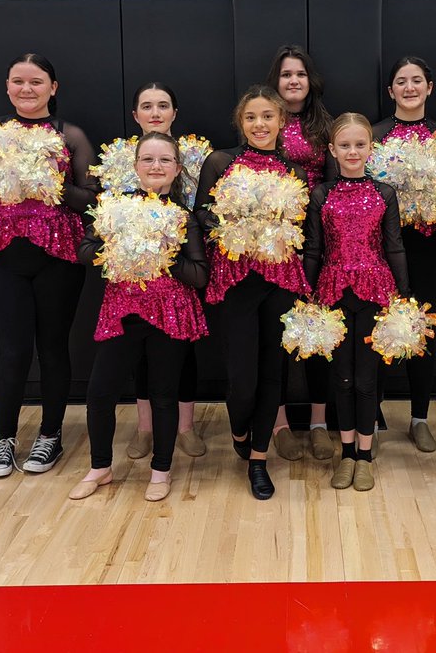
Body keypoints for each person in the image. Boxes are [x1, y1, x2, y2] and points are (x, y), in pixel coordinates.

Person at [0, 54, 97, 479]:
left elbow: (92, 197)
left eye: (36, 82)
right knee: (13, 349)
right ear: (7, 86)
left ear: (53, 88)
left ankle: (50, 434)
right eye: (18, 81)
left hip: (58, 256)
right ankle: (4, 439)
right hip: (6, 255)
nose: (27, 89)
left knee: (53, 347)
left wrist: (52, 184)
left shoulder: (69, 134)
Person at [71, 132, 209, 503]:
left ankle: (160, 471)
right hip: (123, 311)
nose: (156, 167)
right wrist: (120, 242)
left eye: (165, 160)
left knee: (164, 394)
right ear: (135, 167)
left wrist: (161, 252)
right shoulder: (112, 206)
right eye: (148, 160)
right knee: (100, 392)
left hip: (169, 315)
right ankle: (100, 467)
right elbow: (85, 250)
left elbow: (198, 275)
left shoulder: (184, 217)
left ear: (177, 169)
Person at [194, 86, 310, 500]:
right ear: (240, 123)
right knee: (242, 379)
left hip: (280, 280)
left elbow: (303, 228)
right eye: (251, 118)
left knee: (273, 374)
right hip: (237, 280)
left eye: (267, 117)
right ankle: (240, 429)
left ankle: (259, 461)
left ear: (282, 121)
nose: (260, 125)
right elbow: (201, 213)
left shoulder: (294, 172)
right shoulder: (220, 162)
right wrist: (235, 228)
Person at [304, 113, 409, 492]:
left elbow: (394, 247)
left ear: (370, 148)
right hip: (332, 292)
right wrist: (309, 296)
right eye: (344, 145)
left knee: (366, 379)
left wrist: (404, 299)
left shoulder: (384, 193)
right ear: (332, 150)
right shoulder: (321, 194)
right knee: (342, 379)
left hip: (375, 292)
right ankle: (346, 452)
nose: (352, 151)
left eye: (359, 144)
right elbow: (314, 249)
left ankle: (364, 455)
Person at [109, 83, 208, 462]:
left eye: (163, 105)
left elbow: (206, 205)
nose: (155, 112)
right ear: (135, 115)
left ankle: (185, 426)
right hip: (136, 271)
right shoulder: (120, 158)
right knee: (139, 352)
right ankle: (145, 427)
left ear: (174, 113)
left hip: (183, 260)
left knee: (184, 349)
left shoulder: (195, 156)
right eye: (146, 106)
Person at [370, 56, 436, 453]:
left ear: (429, 87)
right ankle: (374, 409)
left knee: (423, 325)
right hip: (381, 244)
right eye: (401, 82)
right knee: (378, 321)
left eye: (416, 80)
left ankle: (420, 417)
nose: (409, 88)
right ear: (390, 91)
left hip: (427, 244)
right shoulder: (375, 134)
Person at [267, 45, 336, 461]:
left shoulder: (325, 126)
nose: (293, 81)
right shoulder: (264, 121)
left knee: (317, 330)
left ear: (311, 81)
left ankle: (318, 422)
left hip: (318, 239)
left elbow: (331, 187)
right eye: (286, 74)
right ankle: (276, 423)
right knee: (275, 332)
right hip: (274, 241)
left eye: (300, 74)